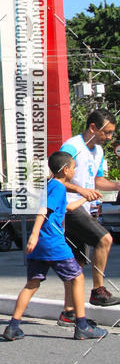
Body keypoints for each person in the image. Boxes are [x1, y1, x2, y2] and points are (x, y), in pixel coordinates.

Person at [3, 152, 107, 341]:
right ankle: (82, 326)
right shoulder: (58, 187)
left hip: (41, 246)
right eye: (74, 168)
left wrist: (86, 198)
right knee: (78, 277)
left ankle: (13, 326)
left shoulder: (51, 186)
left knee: (32, 284)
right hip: (53, 243)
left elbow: (67, 208)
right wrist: (33, 235)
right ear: (66, 170)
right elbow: (44, 211)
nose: (75, 171)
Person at [59, 109, 120, 309]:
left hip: (87, 208)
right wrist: (81, 191)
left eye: (112, 133)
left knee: (77, 264)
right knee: (105, 239)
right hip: (71, 207)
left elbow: (98, 181)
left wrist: (117, 184)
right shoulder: (72, 147)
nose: (110, 137)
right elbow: (57, 180)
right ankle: (98, 291)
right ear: (93, 127)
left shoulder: (99, 151)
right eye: (107, 132)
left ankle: (69, 311)